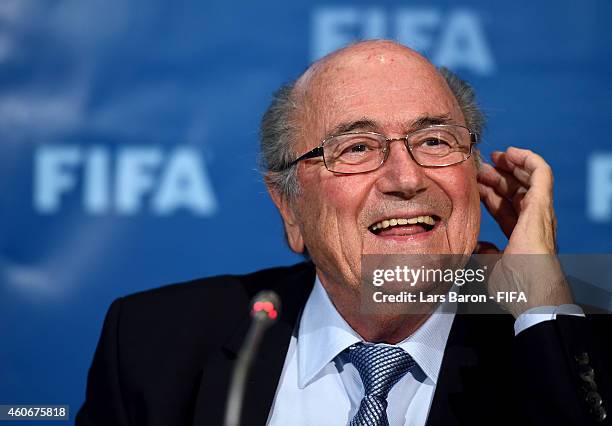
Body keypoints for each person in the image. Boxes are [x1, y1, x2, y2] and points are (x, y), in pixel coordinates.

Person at [76, 40, 610, 426]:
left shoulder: (564, 337)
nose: (406, 178)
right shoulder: (151, 344)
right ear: (288, 206)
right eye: (355, 148)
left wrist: (536, 291)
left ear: (474, 172)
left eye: (433, 141)